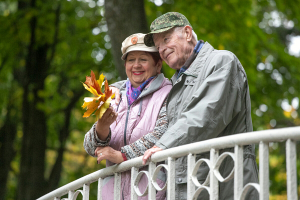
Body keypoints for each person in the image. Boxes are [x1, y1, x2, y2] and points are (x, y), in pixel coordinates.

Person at [111, 12, 259, 200]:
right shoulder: (177, 81)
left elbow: (204, 116)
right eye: (158, 46)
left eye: (166, 39)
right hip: (194, 186)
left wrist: (163, 145)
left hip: (227, 185)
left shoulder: (221, 62)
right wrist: (116, 89)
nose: (162, 49)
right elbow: (147, 84)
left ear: (188, 33)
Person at [83, 33, 172, 200]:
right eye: (131, 60)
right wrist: (101, 129)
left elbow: (164, 133)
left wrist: (122, 155)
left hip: (150, 191)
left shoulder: (169, 93)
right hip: (113, 193)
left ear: (158, 64)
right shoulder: (113, 96)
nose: (136, 65)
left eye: (143, 59)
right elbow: (89, 148)